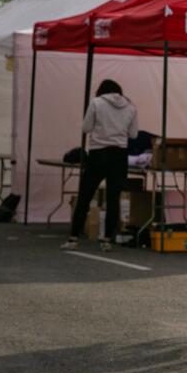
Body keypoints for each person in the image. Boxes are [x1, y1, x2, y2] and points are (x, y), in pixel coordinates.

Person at [63, 79, 138, 252]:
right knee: (113, 199)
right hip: (119, 156)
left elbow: (86, 127)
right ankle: (106, 241)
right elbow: (133, 134)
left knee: (85, 197)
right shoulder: (131, 107)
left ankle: (73, 239)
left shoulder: (96, 103)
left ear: (101, 91)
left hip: (98, 153)